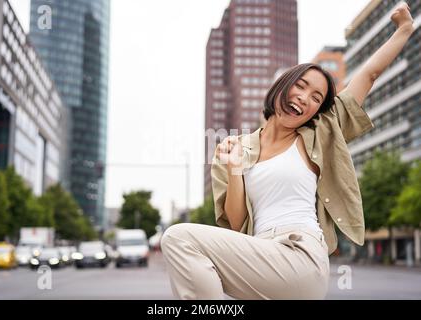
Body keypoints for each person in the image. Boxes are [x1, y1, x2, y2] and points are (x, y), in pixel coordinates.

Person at [161, 3, 415, 300]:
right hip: (258, 256)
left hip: (299, 254)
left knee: (179, 238)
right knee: (191, 256)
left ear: (317, 112)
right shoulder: (235, 148)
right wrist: (234, 169)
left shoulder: (318, 134)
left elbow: (369, 75)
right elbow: (236, 221)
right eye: (302, 86)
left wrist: (404, 30)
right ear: (283, 86)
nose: (305, 98)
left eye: (316, 97)